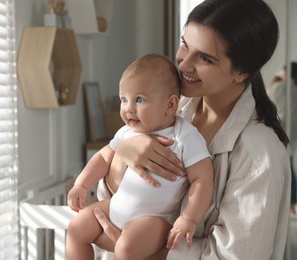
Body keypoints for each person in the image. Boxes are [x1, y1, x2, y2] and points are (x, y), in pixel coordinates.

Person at [93, 0, 291, 259]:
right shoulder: (168, 109)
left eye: (205, 58)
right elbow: (110, 200)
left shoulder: (258, 155)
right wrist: (122, 155)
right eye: (185, 44)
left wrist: (137, 250)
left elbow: (235, 255)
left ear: (241, 71)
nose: (184, 65)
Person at [66, 54, 214, 260]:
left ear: (170, 105)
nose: (128, 108)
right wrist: (81, 185)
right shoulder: (127, 132)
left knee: (125, 250)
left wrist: (188, 219)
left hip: (152, 219)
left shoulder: (184, 136)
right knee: (75, 228)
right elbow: (103, 158)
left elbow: (203, 179)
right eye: (123, 99)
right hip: (115, 206)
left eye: (139, 99)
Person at [267, 62, 297, 214]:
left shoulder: (280, 87)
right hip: (293, 133)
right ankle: (292, 203)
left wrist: (274, 82)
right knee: (289, 166)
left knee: (285, 168)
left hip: (281, 131)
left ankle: (288, 202)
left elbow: (271, 107)